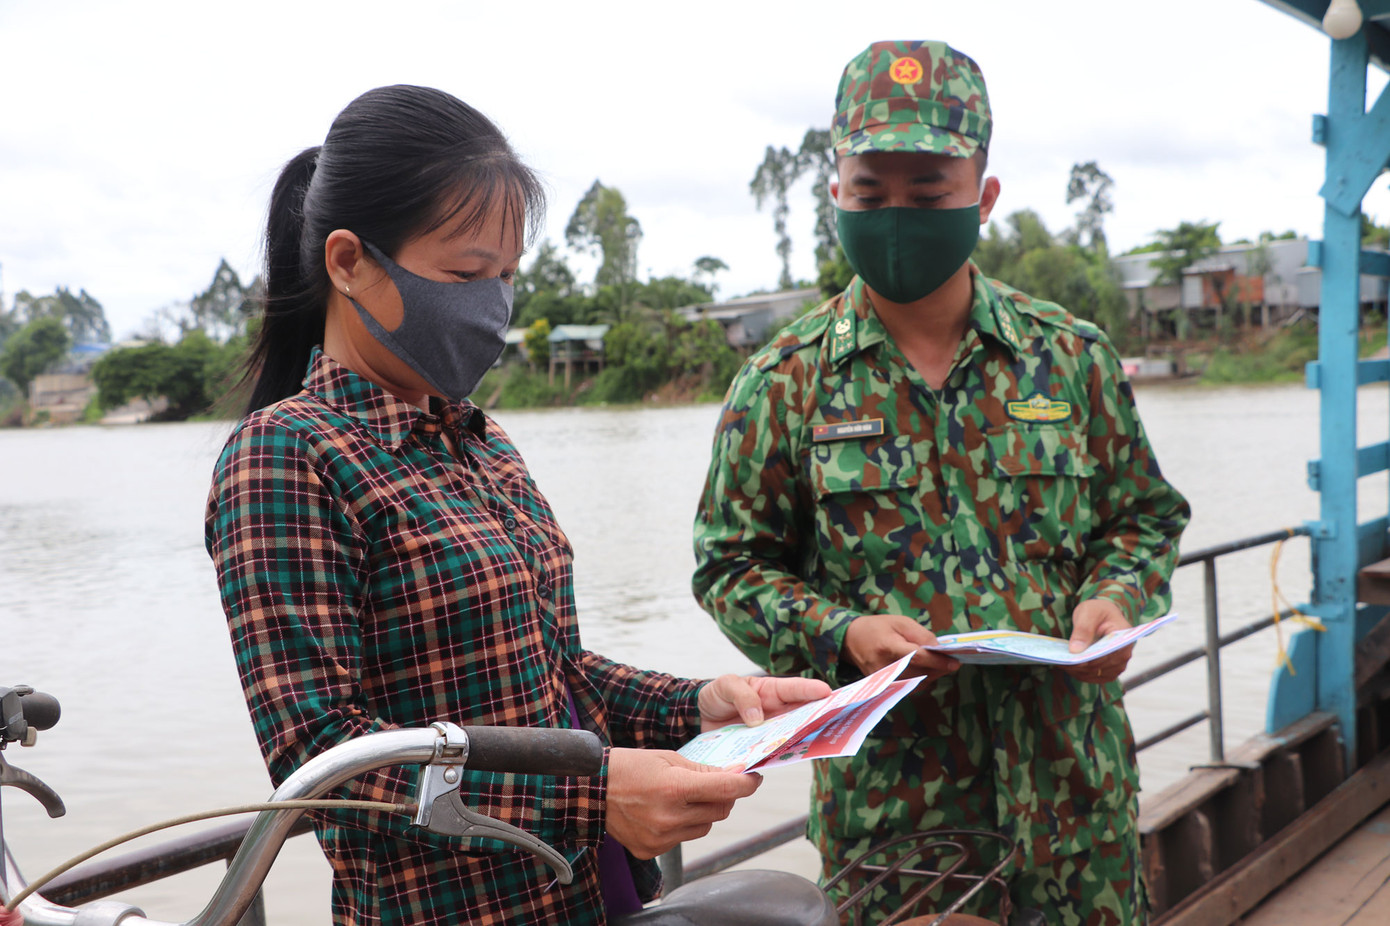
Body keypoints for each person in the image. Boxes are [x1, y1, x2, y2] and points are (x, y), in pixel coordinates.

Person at [204, 84, 829, 926]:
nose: (492, 304)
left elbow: (555, 678)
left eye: (505, 276)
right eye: (466, 274)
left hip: (581, 901)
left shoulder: (481, 442)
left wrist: (704, 703)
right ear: (349, 262)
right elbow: (324, 765)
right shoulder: (286, 458)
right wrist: (588, 799)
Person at [692, 41, 1190, 925]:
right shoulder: (784, 383)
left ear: (983, 197)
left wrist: (1115, 597)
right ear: (835, 190)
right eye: (871, 192)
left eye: (927, 196)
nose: (896, 216)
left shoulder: (1070, 357)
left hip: (1075, 802)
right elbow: (731, 567)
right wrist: (842, 632)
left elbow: (1142, 517)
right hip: (896, 828)